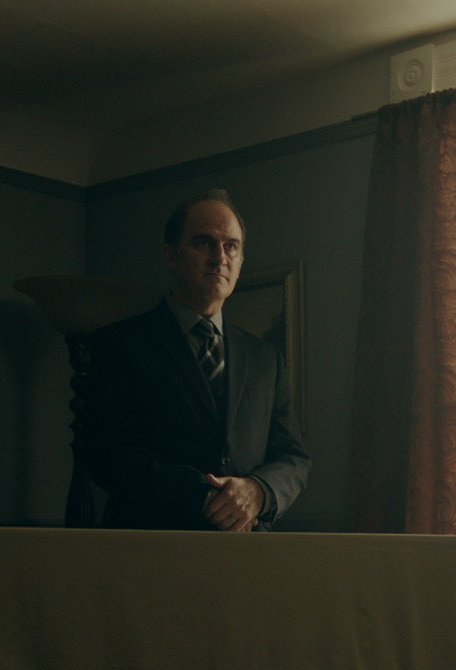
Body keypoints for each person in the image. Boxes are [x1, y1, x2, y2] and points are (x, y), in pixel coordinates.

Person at [84, 190, 310, 531]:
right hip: (151, 546)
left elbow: (293, 458)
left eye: (231, 246)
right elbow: (107, 453)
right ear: (171, 256)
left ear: (240, 262)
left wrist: (258, 492)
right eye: (204, 243)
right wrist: (203, 496)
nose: (220, 257)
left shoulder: (266, 359)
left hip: (247, 549)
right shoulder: (119, 344)